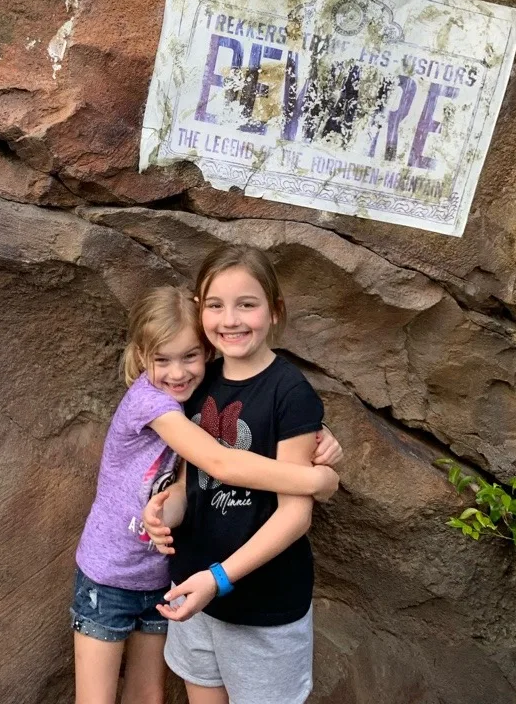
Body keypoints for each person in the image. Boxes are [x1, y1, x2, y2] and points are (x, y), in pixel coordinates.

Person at [72, 283, 342, 704]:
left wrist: (320, 432)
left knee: (149, 693)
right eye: (162, 359)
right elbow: (220, 462)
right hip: (111, 573)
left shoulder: (199, 390)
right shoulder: (150, 400)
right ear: (141, 356)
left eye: (190, 357)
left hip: (163, 576)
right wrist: (318, 482)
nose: (177, 372)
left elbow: (266, 412)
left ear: (207, 352)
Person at [142, 244, 331, 704]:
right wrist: (165, 511)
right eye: (215, 305)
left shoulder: (291, 393)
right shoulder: (196, 380)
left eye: (247, 305)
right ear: (199, 310)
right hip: (192, 590)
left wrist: (219, 578)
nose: (230, 320)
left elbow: (295, 516)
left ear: (275, 310)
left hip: (262, 606)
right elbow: (189, 483)